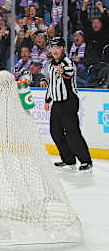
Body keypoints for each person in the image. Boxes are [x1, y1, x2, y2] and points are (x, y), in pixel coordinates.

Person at [44, 37, 92, 171]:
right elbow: (51, 84)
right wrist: (47, 100)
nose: (54, 50)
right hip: (57, 103)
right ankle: (68, 159)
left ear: (62, 49)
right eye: (52, 48)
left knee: (72, 133)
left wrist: (63, 71)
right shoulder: (49, 64)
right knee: (55, 132)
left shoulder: (67, 62)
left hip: (69, 102)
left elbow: (69, 73)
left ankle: (85, 160)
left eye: (57, 48)